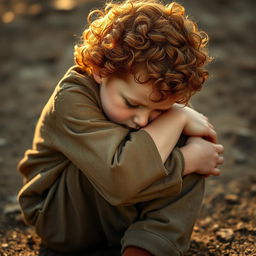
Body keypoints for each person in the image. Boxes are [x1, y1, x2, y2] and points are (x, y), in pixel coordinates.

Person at [17, 0, 224, 255]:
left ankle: (145, 248)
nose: (142, 120)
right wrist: (178, 128)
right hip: (65, 218)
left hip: (119, 214)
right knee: (179, 152)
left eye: (159, 109)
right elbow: (118, 179)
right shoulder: (70, 98)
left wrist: (185, 144)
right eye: (131, 104)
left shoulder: (147, 101)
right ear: (101, 69)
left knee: (186, 144)